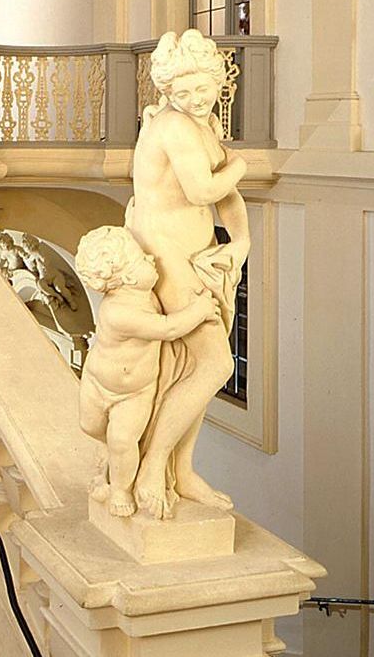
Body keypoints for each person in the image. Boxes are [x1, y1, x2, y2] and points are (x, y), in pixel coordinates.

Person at [126, 30, 249, 518]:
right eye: (184, 94)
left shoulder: (201, 124)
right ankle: (154, 463)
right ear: (167, 93)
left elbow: (225, 198)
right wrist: (240, 163)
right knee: (214, 364)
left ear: (217, 82)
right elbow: (204, 189)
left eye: (204, 90)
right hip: (167, 253)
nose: (197, 100)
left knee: (190, 366)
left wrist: (241, 242)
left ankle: (182, 467)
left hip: (199, 251)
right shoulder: (175, 126)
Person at [75, 225, 221, 518]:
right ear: (127, 277)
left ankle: (120, 488)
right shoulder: (118, 312)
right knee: (90, 426)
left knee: (123, 440)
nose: (152, 260)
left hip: (135, 393)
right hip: (97, 384)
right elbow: (169, 328)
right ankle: (110, 460)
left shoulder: (147, 298)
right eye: (143, 260)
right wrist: (201, 309)